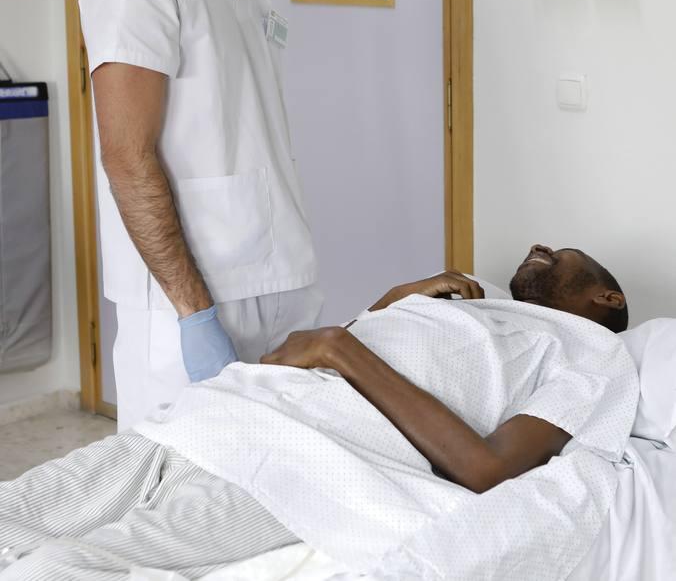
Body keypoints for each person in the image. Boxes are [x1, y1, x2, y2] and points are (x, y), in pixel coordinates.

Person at [0, 244, 637, 580]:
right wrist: (393, 302)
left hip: (296, 463)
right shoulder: (467, 299)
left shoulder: (590, 354)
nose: (538, 244)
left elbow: (487, 469)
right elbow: (294, 358)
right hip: (214, 417)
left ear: (606, 295)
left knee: (53, 570)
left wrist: (342, 344)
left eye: (562, 252)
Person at [78, 0, 325, 430]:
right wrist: (196, 316)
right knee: (180, 506)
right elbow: (126, 157)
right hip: (188, 308)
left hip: (277, 283)